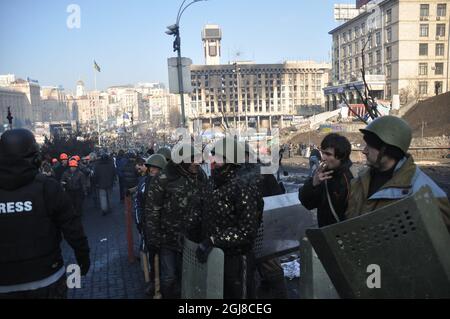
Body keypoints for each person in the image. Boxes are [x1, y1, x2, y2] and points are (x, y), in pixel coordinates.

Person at [0, 129, 90, 298]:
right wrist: (83, 257)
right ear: (34, 157)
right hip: (47, 279)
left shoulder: (48, 187)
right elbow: (72, 227)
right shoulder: (47, 187)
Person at [187, 138, 263, 299]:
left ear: (231, 161)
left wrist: (213, 240)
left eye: (219, 157)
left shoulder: (243, 187)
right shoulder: (211, 183)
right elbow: (201, 209)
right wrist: (190, 231)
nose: (212, 160)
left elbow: (247, 231)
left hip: (236, 261)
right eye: (213, 155)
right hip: (213, 258)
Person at [345, 116, 450, 231]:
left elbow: (438, 241)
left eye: (370, 146)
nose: (364, 151)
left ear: (389, 150)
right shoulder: (360, 180)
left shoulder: (425, 191)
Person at [144, 143, 207, 299]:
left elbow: (207, 201)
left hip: (193, 238)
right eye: (192, 160)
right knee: (169, 277)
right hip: (168, 238)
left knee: (189, 275)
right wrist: (153, 238)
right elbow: (152, 210)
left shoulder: (200, 175)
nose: (197, 163)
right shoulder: (163, 178)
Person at [239, 142, 288, 299]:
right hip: (262, 228)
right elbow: (277, 196)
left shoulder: (238, 174)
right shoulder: (263, 171)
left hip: (255, 229)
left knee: (257, 270)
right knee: (268, 269)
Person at [299, 134, 354, 227]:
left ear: (341, 156)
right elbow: (308, 204)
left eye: (328, 154)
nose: (323, 158)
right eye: (323, 153)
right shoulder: (323, 175)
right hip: (325, 233)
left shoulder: (351, 179)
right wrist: (313, 184)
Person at [135, 154, 167, 297]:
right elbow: (138, 205)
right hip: (148, 226)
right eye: (151, 167)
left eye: (156, 168)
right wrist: (140, 223)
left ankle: (161, 286)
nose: (153, 170)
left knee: (165, 258)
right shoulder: (143, 183)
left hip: (164, 226)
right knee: (152, 255)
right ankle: (154, 285)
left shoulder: (167, 183)